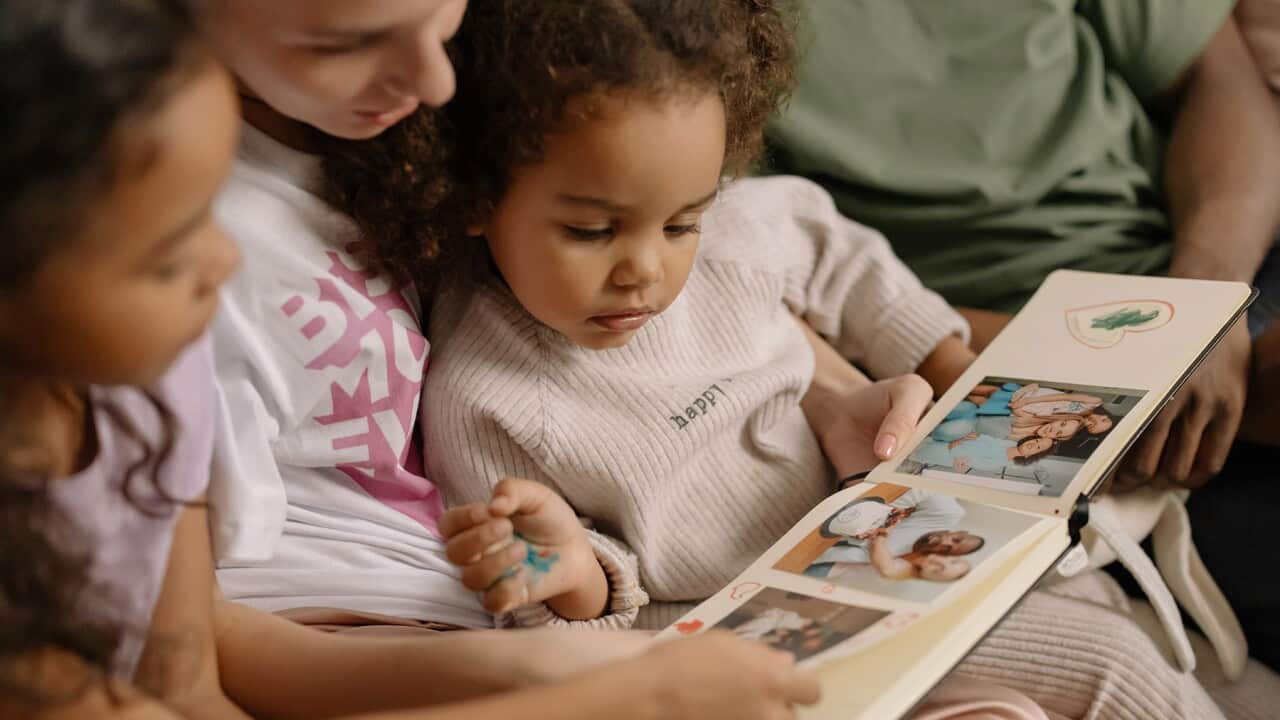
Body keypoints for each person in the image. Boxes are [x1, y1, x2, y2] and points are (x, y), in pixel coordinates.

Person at [0, 2, 827, 718]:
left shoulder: (399, 113)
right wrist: (588, 692)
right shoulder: (163, 321)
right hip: (372, 630)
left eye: (442, 19)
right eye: (345, 41)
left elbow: (698, 226)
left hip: (490, 609)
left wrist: (819, 384)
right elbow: (198, 670)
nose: (435, 81)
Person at [196, 0, 956, 633]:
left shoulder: (676, 194)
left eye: (441, 26)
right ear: (474, 200)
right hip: (696, 622)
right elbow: (568, 582)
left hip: (863, 516)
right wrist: (583, 583)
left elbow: (813, 249)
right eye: (591, 233)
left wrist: (908, 381)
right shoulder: (482, 391)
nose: (435, 81)